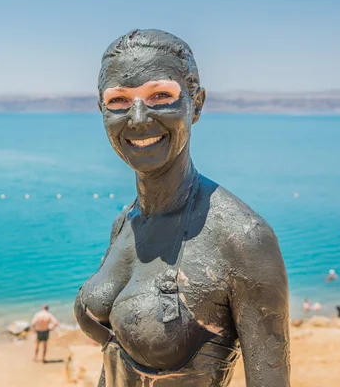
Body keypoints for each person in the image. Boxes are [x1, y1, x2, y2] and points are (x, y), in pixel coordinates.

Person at [74, 29, 290, 386]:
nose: (138, 118)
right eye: (119, 101)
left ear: (197, 104)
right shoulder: (125, 224)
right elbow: (110, 363)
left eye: (161, 96)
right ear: (102, 111)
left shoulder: (243, 239)